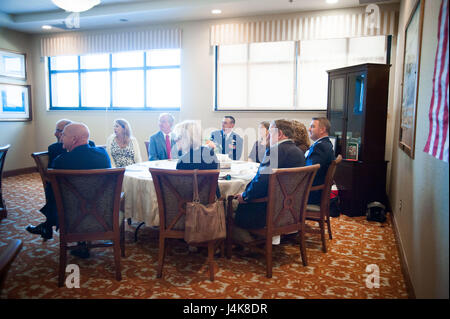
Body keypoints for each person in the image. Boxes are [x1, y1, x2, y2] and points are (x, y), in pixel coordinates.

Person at [26, 123, 111, 258]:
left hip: (72, 217)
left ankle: (48, 224)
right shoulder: (103, 155)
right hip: (102, 213)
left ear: (74, 139)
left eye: (63, 135)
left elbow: (54, 192)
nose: (60, 138)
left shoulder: (61, 162)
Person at [233, 119, 306, 230]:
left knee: (229, 202)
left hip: (267, 210)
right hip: (290, 208)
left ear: (280, 134)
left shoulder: (274, 151)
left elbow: (261, 181)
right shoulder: (298, 152)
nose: (267, 137)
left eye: (270, 133)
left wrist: (245, 195)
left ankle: (243, 239)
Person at [305, 117, 335, 205]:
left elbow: (310, 172)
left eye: (312, 126)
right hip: (316, 191)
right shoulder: (324, 144)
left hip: (312, 194)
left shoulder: (320, 147)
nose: (309, 129)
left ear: (322, 130)